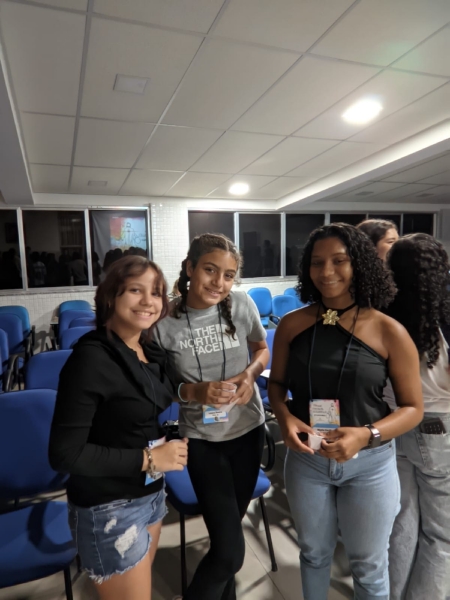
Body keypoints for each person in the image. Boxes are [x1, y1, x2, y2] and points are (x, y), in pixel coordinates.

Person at [268, 223, 423, 600]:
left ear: (360, 265)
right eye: (317, 262)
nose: (326, 271)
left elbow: (413, 408)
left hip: (370, 465)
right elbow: (277, 384)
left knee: (369, 566)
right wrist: (285, 418)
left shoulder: (389, 330)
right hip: (307, 459)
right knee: (313, 554)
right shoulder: (292, 324)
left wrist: (366, 434)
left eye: (339, 261)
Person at [49, 255, 188, 600]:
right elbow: (65, 454)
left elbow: (155, 397)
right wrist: (149, 459)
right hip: (109, 506)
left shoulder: (145, 347)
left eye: (156, 292)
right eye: (135, 290)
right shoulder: (91, 359)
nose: (149, 301)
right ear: (111, 295)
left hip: (150, 493)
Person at [154, 233, 269, 600]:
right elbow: (156, 387)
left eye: (229, 275)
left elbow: (261, 349)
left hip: (248, 431)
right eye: (209, 270)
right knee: (230, 551)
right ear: (190, 268)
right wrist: (194, 392)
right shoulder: (163, 320)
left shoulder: (241, 304)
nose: (219, 282)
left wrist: (249, 375)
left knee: (226, 541)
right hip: (203, 440)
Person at [385, 233, 450, 600]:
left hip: (394, 424)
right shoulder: (444, 319)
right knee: (442, 535)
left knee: (402, 522)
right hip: (438, 428)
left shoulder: (383, 316)